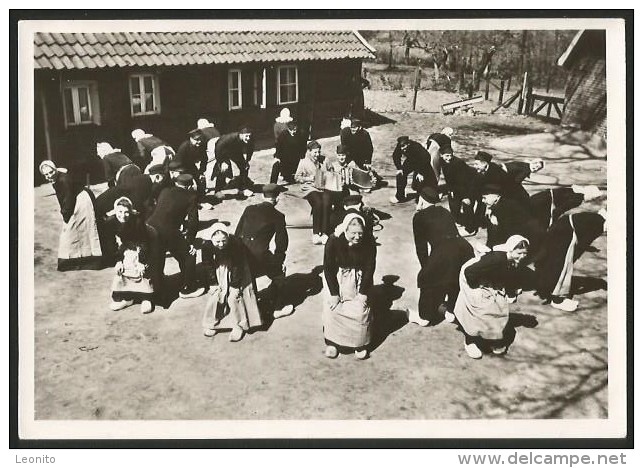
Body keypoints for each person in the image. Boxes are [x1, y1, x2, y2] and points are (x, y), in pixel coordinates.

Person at [453, 235, 530, 359]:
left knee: (498, 306)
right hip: (472, 278)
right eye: (519, 253)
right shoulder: (497, 259)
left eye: (524, 253)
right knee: (479, 310)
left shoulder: (511, 260)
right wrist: (479, 288)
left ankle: (492, 338)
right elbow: (470, 272)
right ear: (510, 250)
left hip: (485, 277)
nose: (522, 256)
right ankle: (470, 340)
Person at [409, 186, 475, 326]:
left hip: (443, 249)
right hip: (463, 247)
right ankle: (451, 310)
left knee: (427, 279)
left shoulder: (419, 217)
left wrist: (426, 267)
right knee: (454, 277)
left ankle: (424, 317)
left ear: (421, 199)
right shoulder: (445, 211)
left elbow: (421, 247)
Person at [235, 184, 294, 319]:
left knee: (249, 276)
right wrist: (279, 259)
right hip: (261, 255)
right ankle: (278, 308)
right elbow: (281, 241)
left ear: (262, 196)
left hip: (242, 252)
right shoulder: (278, 216)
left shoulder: (249, 209)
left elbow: (238, 232)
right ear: (277, 199)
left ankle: (252, 302)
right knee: (278, 274)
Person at [322, 213, 377, 360]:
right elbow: (328, 268)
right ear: (346, 230)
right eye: (353, 233)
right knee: (334, 308)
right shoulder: (333, 241)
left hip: (359, 280)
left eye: (360, 233)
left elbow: (370, 267)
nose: (357, 237)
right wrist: (334, 293)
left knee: (360, 310)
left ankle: (359, 344)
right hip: (338, 279)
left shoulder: (369, 241)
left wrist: (363, 292)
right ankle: (333, 342)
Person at [146, 173, 204, 300]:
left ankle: (155, 289)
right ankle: (188, 288)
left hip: (150, 226)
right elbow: (193, 221)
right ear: (189, 186)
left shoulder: (165, 190)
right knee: (188, 255)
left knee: (157, 258)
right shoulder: (191, 196)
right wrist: (190, 241)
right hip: (168, 230)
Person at [534, 209, 606, 312]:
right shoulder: (599, 225)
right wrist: (573, 258)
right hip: (566, 233)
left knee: (552, 260)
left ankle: (544, 287)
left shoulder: (596, 217)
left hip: (560, 226)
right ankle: (557, 299)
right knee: (563, 265)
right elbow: (583, 244)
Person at [201, 224, 263, 342]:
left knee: (234, 297)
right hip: (220, 266)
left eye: (223, 241)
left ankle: (239, 325)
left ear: (228, 238)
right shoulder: (206, 245)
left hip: (237, 267)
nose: (221, 244)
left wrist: (235, 285)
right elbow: (207, 265)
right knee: (217, 294)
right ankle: (212, 323)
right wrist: (213, 282)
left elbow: (237, 266)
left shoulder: (236, 244)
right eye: (217, 241)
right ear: (211, 239)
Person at [39, 161, 102, 271]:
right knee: (75, 230)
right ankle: (79, 259)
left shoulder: (63, 180)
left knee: (77, 228)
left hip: (81, 201)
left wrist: (65, 214)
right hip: (75, 199)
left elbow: (68, 198)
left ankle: (87, 260)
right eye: (46, 174)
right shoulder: (57, 178)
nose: (49, 176)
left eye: (51, 172)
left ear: (55, 170)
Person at [106, 197, 159, 314]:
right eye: (120, 212)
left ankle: (146, 298)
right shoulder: (111, 222)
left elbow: (144, 242)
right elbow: (111, 244)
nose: (123, 215)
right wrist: (118, 260)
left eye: (126, 212)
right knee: (123, 268)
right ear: (115, 211)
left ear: (130, 212)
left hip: (146, 243)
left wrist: (141, 261)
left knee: (141, 269)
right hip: (126, 245)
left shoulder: (137, 221)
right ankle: (127, 297)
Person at [479, 184, 545, 254]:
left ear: (497, 196)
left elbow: (508, 235)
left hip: (527, 242)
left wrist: (492, 250)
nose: (483, 201)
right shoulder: (496, 207)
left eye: (485, 198)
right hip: (518, 238)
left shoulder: (506, 208)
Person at [294, 140, 336, 245]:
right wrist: (309, 178)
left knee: (327, 203)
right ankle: (316, 233)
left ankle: (325, 233)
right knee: (318, 203)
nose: (317, 155)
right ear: (309, 151)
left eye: (318, 152)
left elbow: (332, 171)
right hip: (310, 188)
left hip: (325, 187)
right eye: (315, 152)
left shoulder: (325, 160)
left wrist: (328, 175)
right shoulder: (303, 162)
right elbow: (297, 177)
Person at [439, 147, 479, 234]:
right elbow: (449, 178)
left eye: (451, 155)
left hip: (471, 182)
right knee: (453, 201)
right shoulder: (442, 161)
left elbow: (462, 181)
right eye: (447, 156)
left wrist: (465, 196)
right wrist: (450, 190)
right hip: (457, 184)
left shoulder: (458, 163)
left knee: (467, 204)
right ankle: (458, 221)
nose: (449, 158)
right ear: (441, 155)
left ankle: (471, 229)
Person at [529, 185, 601, 230]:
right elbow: (558, 211)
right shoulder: (578, 199)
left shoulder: (575, 190)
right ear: (590, 195)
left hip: (541, 196)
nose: (592, 200)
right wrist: (552, 223)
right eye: (593, 198)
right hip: (543, 203)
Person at [390, 136, 436, 204]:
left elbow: (426, 157)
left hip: (423, 163)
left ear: (408, 144)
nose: (402, 148)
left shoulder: (416, 147)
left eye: (403, 146)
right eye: (401, 146)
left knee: (421, 179)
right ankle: (400, 196)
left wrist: (420, 172)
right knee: (400, 175)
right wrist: (399, 168)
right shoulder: (399, 146)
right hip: (411, 161)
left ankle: (423, 196)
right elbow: (395, 156)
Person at [213, 128, 255, 197]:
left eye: (249, 136)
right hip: (223, 151)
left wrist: (247, 161)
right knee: (223, 169)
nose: (248, 138)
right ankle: (217, 191)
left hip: (236, 151)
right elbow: (218, 148)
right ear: (240, 135)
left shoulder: (250, 139)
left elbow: (250, 149)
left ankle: (242, 189)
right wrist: (222, 162)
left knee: (244, 167)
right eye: (246, 136)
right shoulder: (229, 138)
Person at [175, 129, 207, 200]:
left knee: (200, 180)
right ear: (191, 139)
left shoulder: (201, 145)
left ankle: (201, 198)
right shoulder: (184, 147)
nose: (199, 141)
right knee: (185, 183)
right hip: (179, 167)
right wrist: (180, 174)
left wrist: (201, 172)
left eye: (201, 139)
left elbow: (204, 159)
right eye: (197, 140)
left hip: (190, 165)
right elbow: (178, 162)